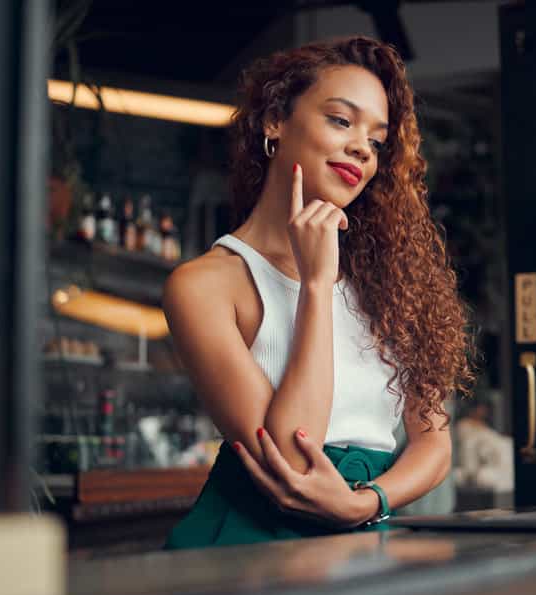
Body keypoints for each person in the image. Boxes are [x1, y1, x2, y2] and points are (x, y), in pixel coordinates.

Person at [162, 36, 476, 549]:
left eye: (376, 142)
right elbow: (291, 453)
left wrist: (365, 502)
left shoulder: (390, 284)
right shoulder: (204, 285)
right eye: (341, 120)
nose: (361, 148)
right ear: (275, 122)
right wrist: (314, 284)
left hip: (362, 537)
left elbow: (434, 444)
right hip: (251, 547)